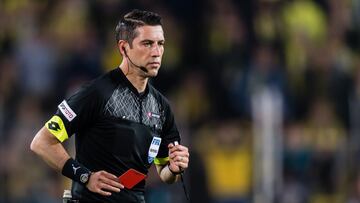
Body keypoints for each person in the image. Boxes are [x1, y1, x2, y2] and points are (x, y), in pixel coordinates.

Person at [30, 9, 189, 203]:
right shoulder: (97, 93)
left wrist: (173, 167)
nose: (156, 52)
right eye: (147, 44)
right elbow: (42, 142)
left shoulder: (162, 107)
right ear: (123, 48)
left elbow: (165, 173)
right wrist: (84, 176)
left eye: (160, 44)